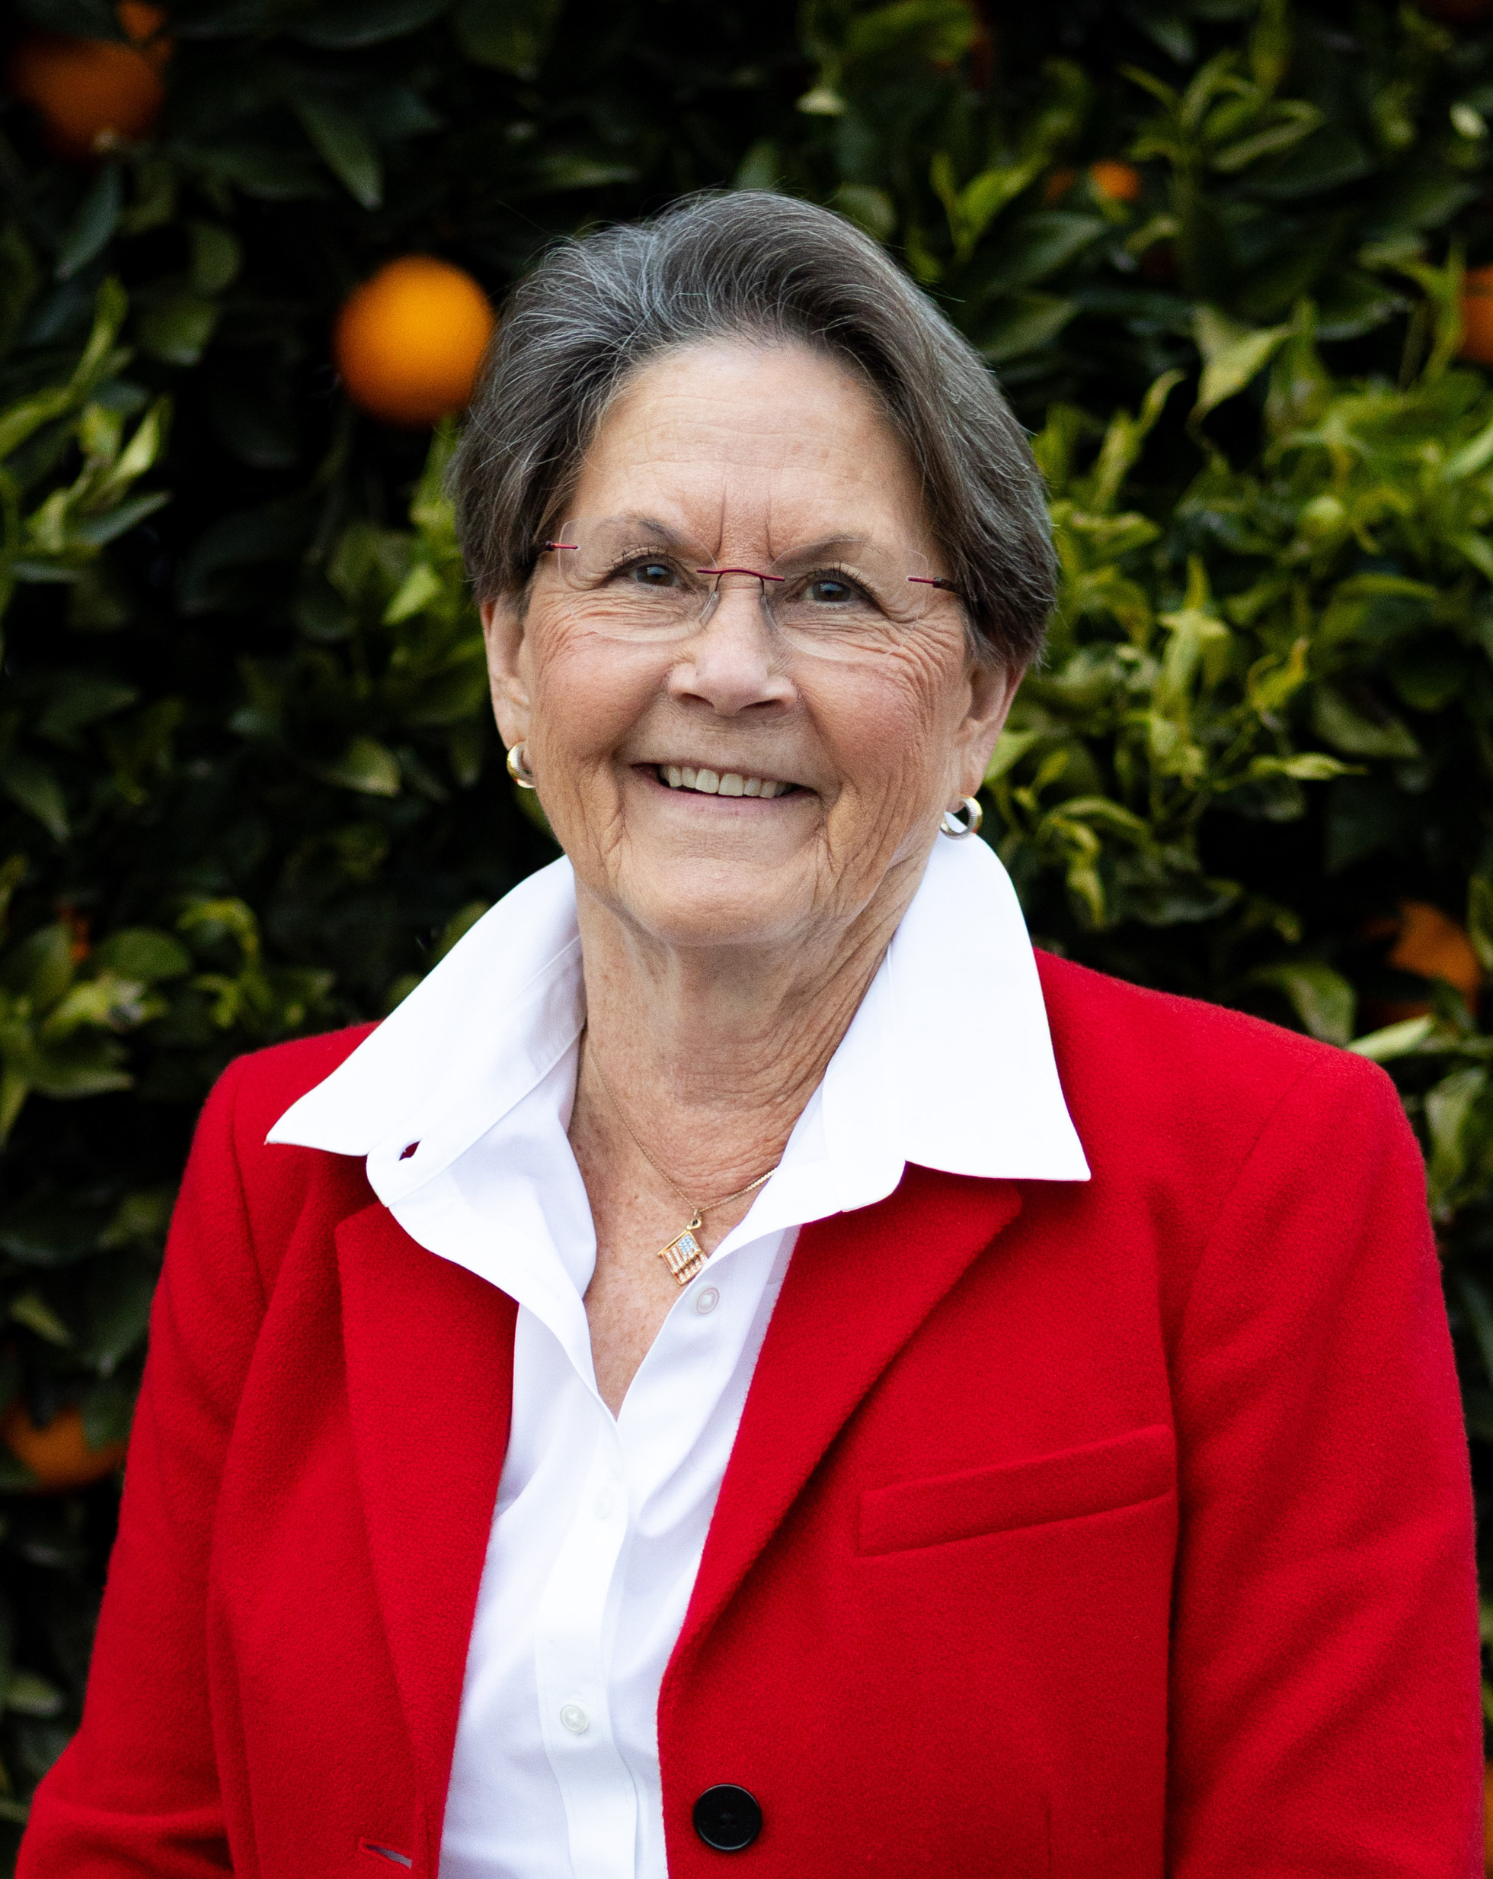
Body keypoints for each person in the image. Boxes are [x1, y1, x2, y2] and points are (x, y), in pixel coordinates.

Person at [19, 192, 1479, 1879]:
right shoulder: (294, 1165)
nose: (730, 668)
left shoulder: (1260, 1171)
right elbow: (143, 1838)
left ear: (982, 692)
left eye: (833, 590)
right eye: (646, 572)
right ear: (511, 650)